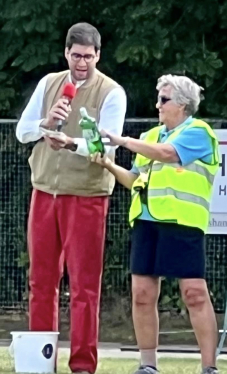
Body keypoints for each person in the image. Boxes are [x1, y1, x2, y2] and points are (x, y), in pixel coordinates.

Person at [16, 23, 127, 374]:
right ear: (66, 53)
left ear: (98, 55)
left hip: (87, 195)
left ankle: (82, 364)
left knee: (84, 285)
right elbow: (22, 131)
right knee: (41, 282)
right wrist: (46, 124)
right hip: (45, 190)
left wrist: (71, 143)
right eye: (76, 56)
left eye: (88, 57)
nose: (82, 63)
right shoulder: (49, 83)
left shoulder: (112, 92)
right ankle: (39, 362)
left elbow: (107, 146)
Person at [91, 74, 220, 374]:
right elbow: (134, 179)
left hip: (183, 223)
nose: (157, 105)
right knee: (142, 294)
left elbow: (168, 154)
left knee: (194, 293)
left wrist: (122, 141)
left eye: (164, 99)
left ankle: (209, 367)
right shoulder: (150, 136)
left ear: (183, 105)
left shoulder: (198, 131)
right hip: (146, 222)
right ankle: (147, 365)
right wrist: (108, 165)